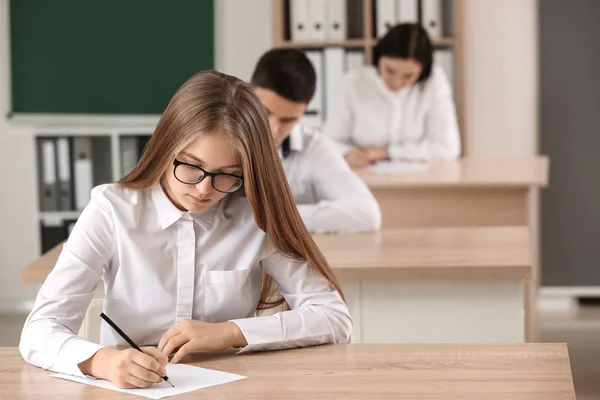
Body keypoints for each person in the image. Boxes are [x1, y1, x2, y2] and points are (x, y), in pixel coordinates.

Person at [19, 70, 352, 389]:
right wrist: (103, 363)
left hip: (233, 389)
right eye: (191, 166)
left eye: (227, 174)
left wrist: (228, 332)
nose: (205, 189)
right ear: (167, 147)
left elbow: (334, 318)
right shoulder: (112, 211)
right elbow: (39, 331)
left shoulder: (254, 216)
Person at [250, 48, 381, 234]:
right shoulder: (214, 138)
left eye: (288, 120)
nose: (272, 129)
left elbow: (367, 214)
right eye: (265, 112)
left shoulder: (313, 146)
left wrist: (274, 219)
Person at [324, 23, 461, 168]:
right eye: (390, 70)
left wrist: (386, 153)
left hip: (419, 181)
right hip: (362, 177)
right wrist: (345, 154)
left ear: (422, 71)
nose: (397, 82)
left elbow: (448, 148)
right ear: (379, 59)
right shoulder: (352, 84)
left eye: (408, 76)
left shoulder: (433, 82)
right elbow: (328, 142)